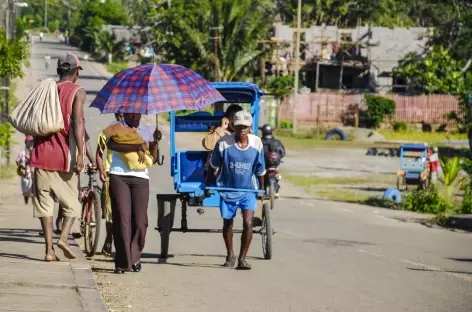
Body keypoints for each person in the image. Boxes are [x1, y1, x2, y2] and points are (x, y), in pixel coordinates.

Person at [30, 53, 86, 262]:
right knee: (73, 203)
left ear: (58, 70)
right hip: (64, 159)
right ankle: (63, 237)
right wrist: (80, 153)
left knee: (45, 206)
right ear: (76, 72)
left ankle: (48, 250)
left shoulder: (46, 89)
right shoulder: (77, 92)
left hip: (40, 155)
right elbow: (78, 123)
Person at [206, 110, 266, 270]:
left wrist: (262, 190)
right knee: (228, 223)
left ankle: (242, 259)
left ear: (249, 127)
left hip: (248, 190)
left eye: (245, 127)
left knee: (248, 223)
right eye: (239, 126)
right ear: (234, 126)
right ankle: (230, 254)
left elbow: (261, 169)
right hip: (227, 188)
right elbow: (213, 166)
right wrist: (207, 185)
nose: (242, 129)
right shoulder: (224, 143)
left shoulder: (257, 143)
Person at [105, 113, 161, 274]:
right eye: (132, 113)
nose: (135, 116)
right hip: (118, 175)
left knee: (140, 221)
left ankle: (135, 255)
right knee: (122, 218)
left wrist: (155, 142)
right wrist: (134, 146)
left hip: (140, 178)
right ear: (126, 112)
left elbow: (153, 159)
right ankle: (123, 261)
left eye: (138, 113)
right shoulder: (116, 126)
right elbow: (110, 144)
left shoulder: (148, 129)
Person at [96, 113, 124, 257]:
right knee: (110, 212)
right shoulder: (109, 130)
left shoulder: (138, 131)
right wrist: (101, 170)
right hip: (110, 173)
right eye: (120, 113)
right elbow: (99, 152)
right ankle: (109, 238)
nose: (123, 115)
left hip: (130, 175)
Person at [260, 124, 286, 198]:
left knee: (260, 174)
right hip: (274, 165)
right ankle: (276, 188)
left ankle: (262, 189)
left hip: (264, 164)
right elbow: (283, 153)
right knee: (277, 174)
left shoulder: (259, 141)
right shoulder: (277, 142)